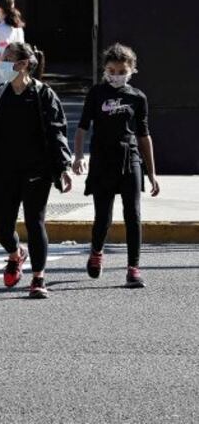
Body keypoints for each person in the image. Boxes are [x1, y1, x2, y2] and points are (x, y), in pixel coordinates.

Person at [0, 42, 73, 299]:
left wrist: (63, 167)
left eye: (7, 58)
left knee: (34, 222)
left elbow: (57, 132)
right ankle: (16, 255)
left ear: (23, 64)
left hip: (37, 169)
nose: (1, 63)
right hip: (3, 169)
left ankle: (38, 278)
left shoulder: (43, 94)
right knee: (3, 227)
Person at [73, 43, 159, 288]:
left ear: (131, 70)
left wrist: (151, 172)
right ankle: (96, 252)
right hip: (102, 160)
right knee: (103, 216)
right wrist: (78, 156)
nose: (116, 75)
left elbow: (144, 135)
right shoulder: (97, 93)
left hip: (129, 158)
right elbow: (82, 127)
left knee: (133, 214)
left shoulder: (137, 97)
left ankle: (133, 268)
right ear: (105, 69)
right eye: (112, 70)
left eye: (122, 71)